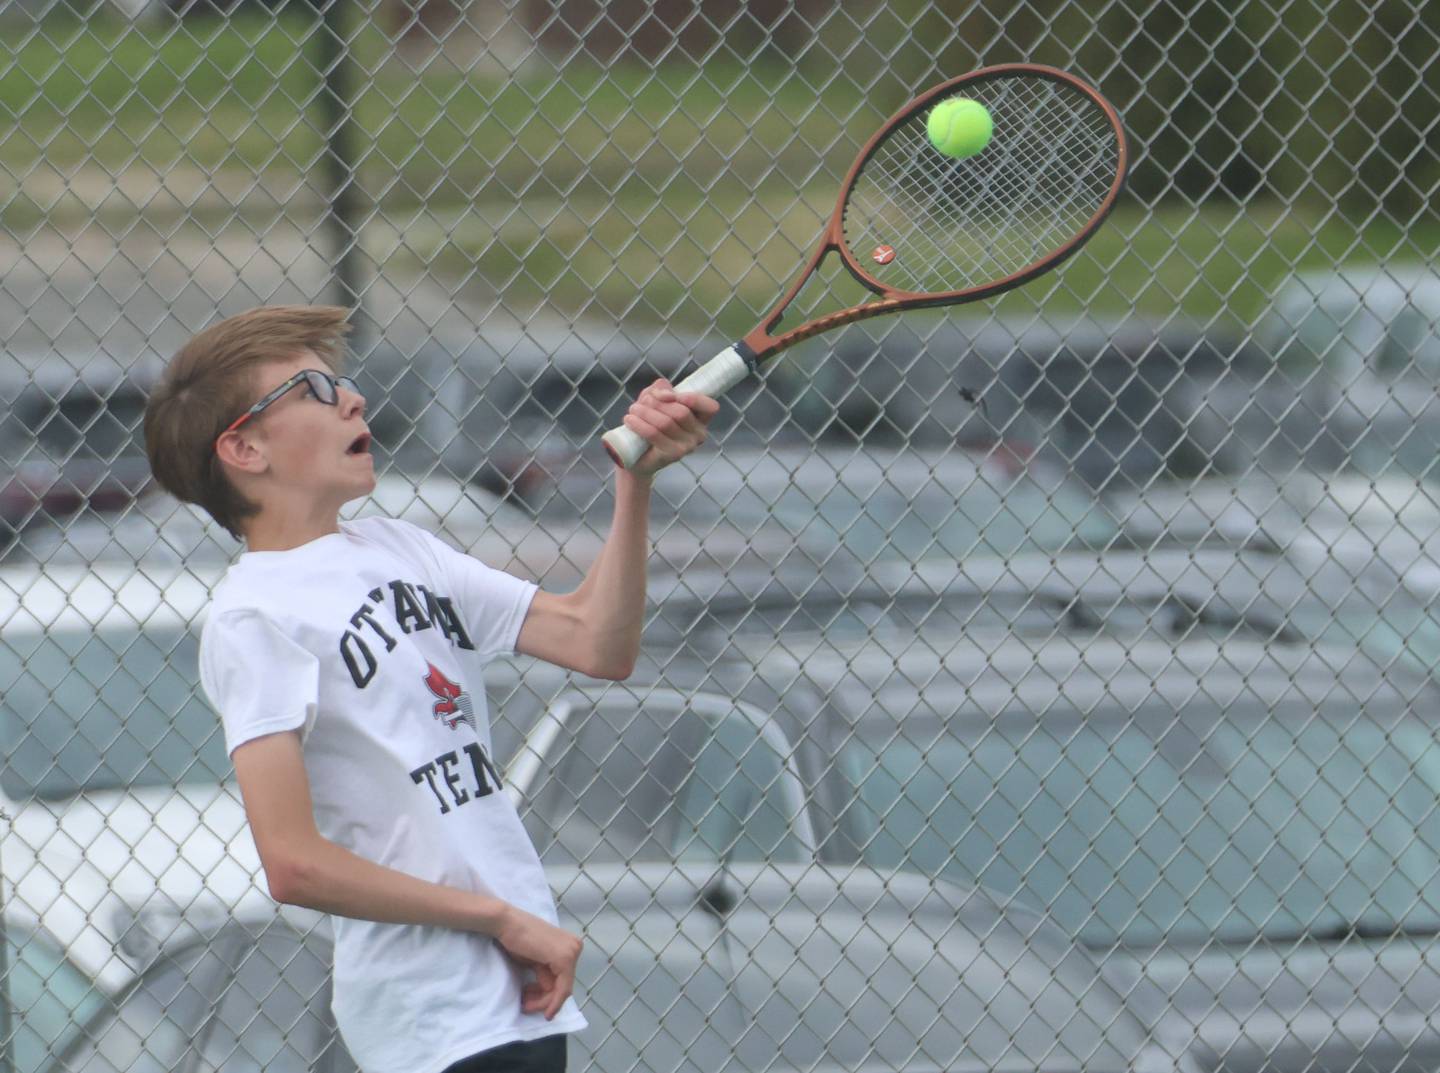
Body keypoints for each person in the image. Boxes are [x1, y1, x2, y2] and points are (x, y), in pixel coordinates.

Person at [142, 305, 719, 1073]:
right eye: (313, 389)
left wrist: (634, 479)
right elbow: (293, 863)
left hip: (514, 990)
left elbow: (596, 639)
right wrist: (495, 917)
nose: (351, 399)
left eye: (341, 381)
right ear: (243, 446)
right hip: (431, 1009)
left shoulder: (397, 545)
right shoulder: (253, 616)